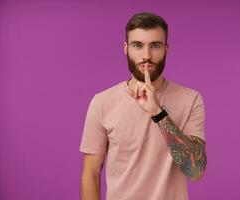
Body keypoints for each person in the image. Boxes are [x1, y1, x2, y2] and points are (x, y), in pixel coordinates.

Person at [79, 12, 207, 200]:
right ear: (126, 48)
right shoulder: (102, 102)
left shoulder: (191, 99)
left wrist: (158, 113)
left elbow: (195, 170)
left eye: (155, 46)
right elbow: (91, 175)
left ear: (166, 49)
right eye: (138, 45)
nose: (146, 56)